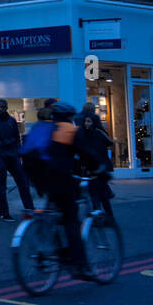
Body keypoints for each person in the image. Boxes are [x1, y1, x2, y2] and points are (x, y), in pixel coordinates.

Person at [42, 102, 93, 278]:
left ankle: (53, 247)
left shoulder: (44, 129)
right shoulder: (70, 131)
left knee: (53, 214)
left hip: (43, 179)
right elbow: (86, 154)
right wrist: (101, 170)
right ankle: (80, 266)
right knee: (71, 220)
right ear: (70, 116)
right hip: (62, 179)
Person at [0, 99, 34, 221]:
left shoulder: (11, 121)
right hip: (0, 155)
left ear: (6, 108)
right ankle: (4, 212)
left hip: (12, 154)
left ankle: (29, 208)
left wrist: (18, 152)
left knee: (23, 182)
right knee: (2, 185)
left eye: (3, 107)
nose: (1, 109)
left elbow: (16, 137)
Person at [74, 108, 115, 219]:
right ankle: (102, 214)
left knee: (98, 193)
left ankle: (105, 215)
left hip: (98, 167)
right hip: (92, 167)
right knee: (96, 193)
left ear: (94, 122)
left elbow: (97, 152)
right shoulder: (85, 133)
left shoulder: (97, 133)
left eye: (89, 121)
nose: (86, 123)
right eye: (86, 121)